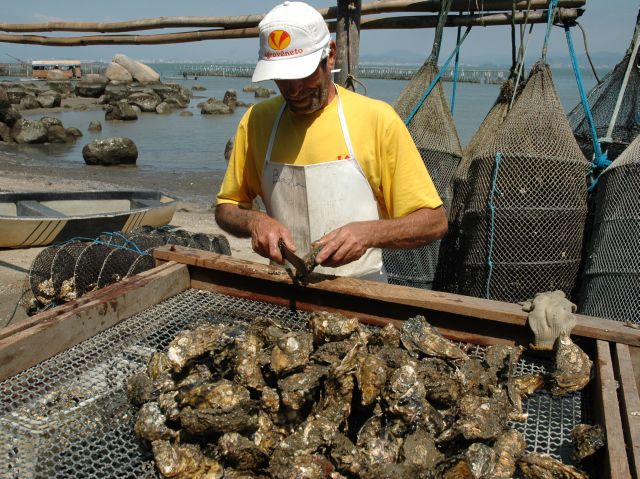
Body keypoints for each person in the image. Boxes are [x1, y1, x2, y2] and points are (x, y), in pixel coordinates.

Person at [215, 0, 447, 282]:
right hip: (285, 286)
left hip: (362, 287)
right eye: (282, 77)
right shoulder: (256, 121)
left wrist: (368, 233)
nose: (294, 88)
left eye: (304, 72)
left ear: (331, 56)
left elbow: (433, 222)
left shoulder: (376, 119)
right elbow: (226, 207)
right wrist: (254, 221)